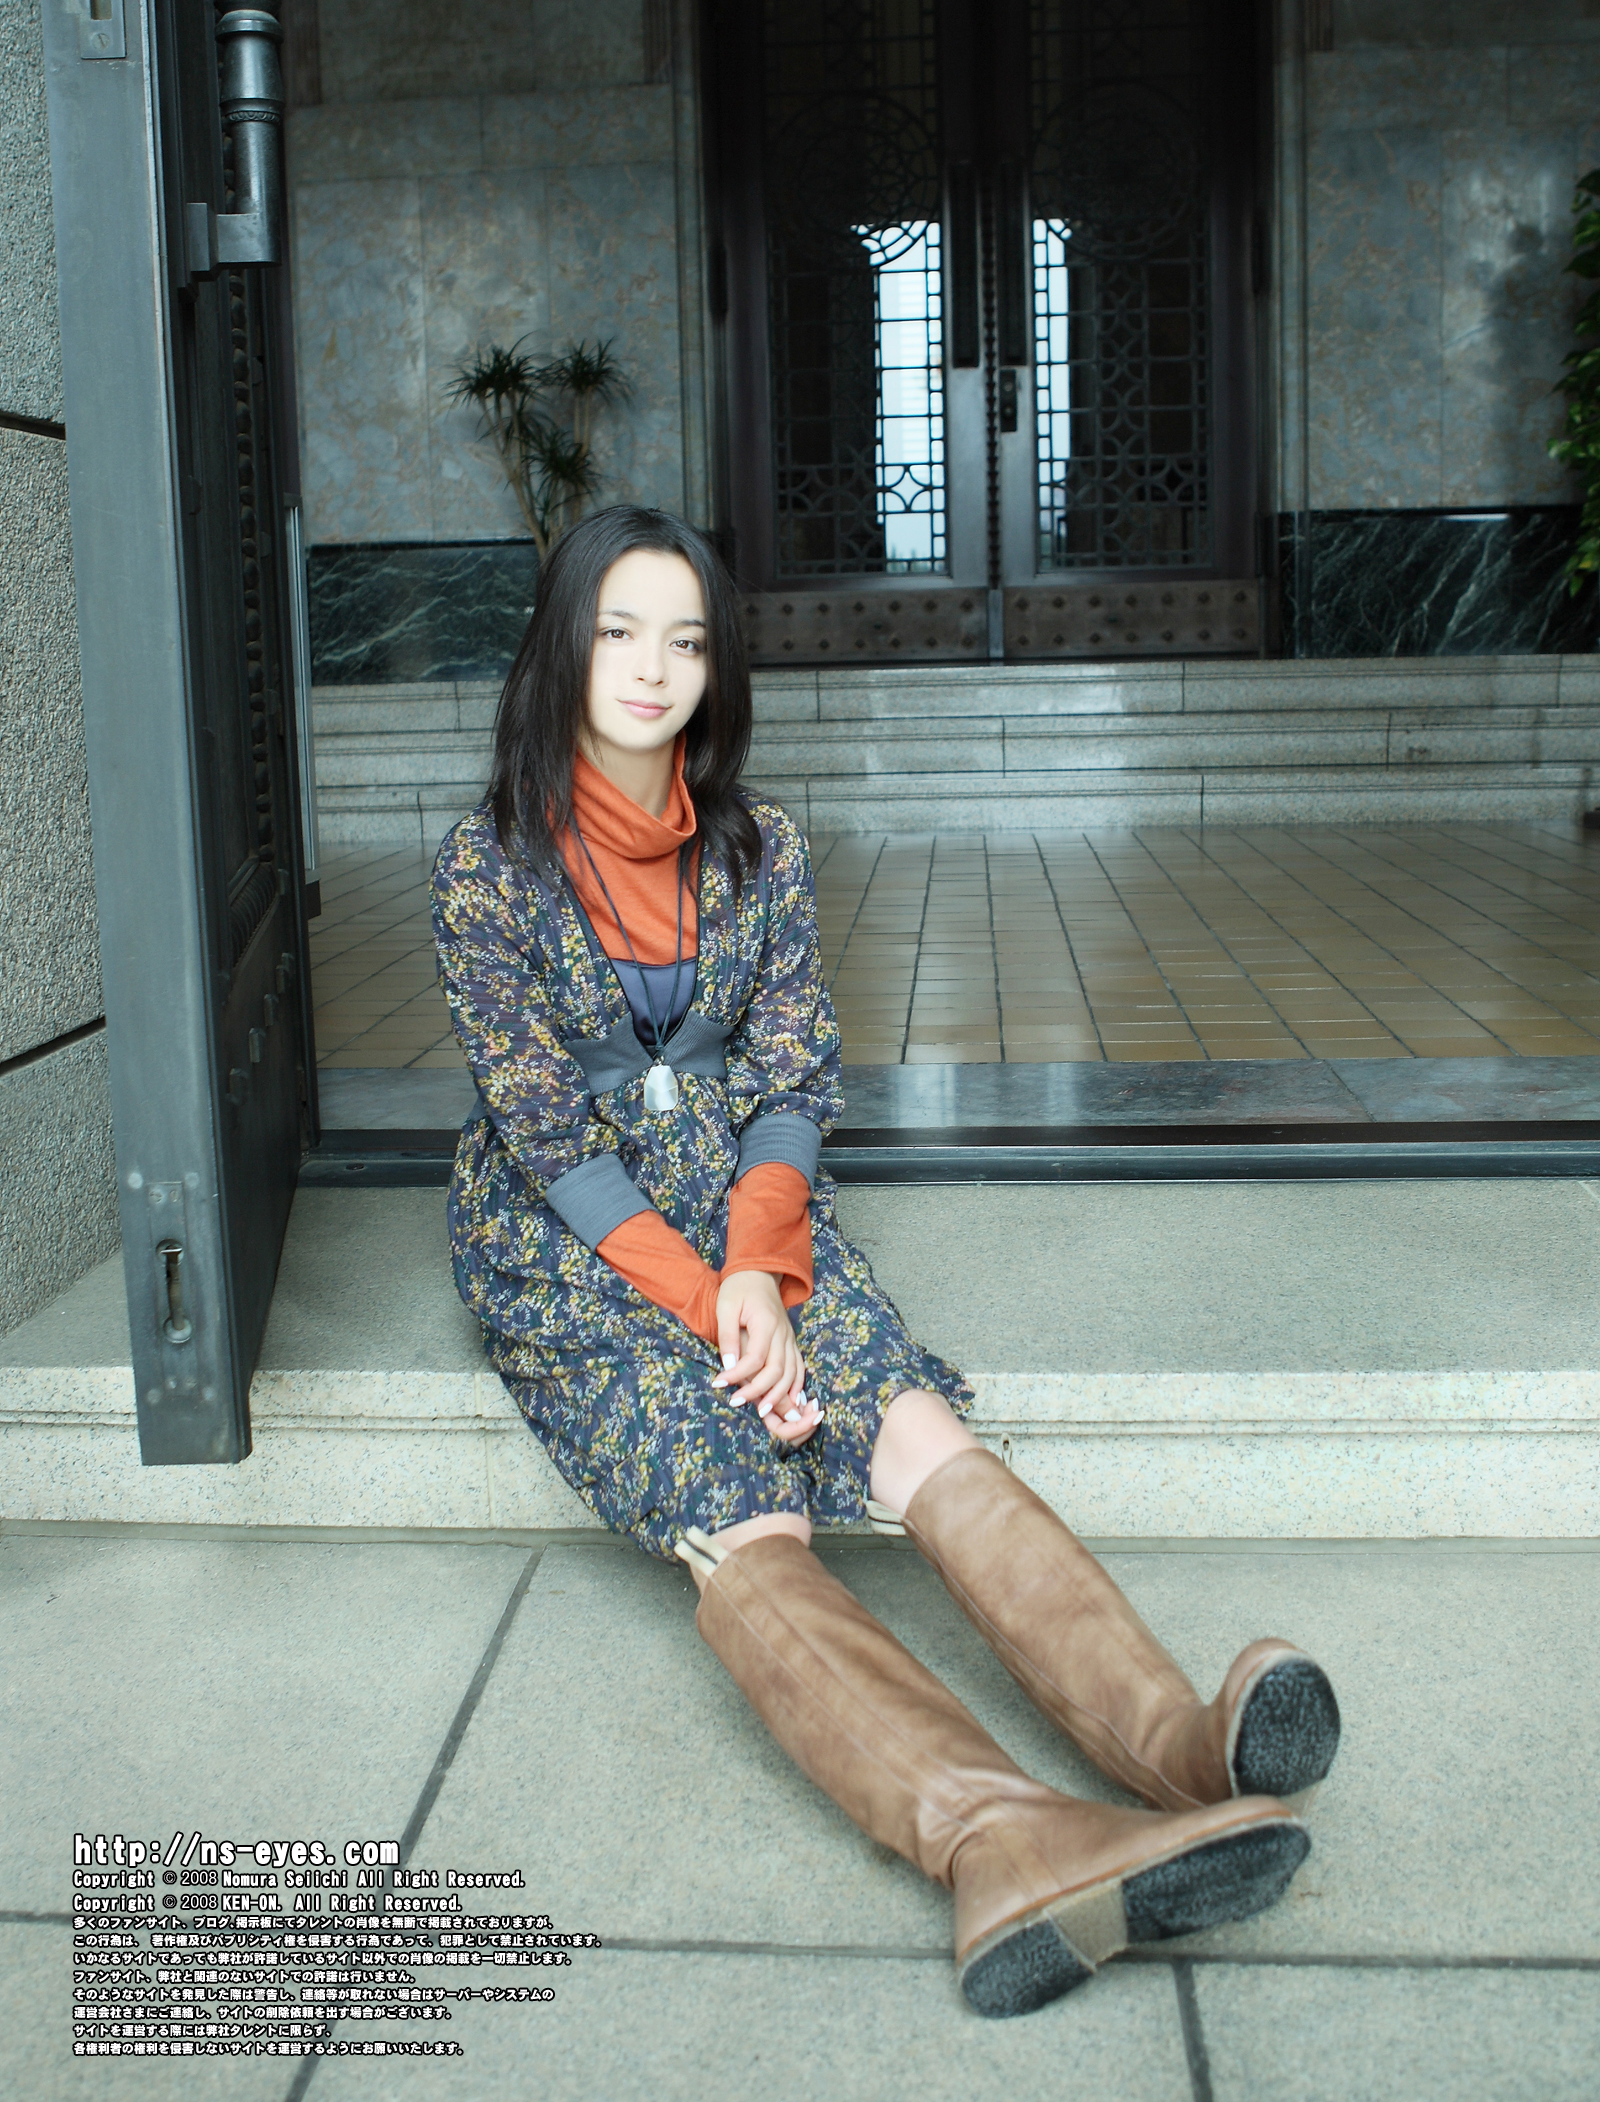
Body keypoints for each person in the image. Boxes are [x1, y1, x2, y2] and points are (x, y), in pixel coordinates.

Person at [431, 505, 1341, 2020]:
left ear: (716, 669)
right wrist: (713, 1307)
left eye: (686, 640)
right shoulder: (489, 865)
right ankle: (999, 1842)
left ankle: (1180, 1747)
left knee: (910, 1424)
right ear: (562, 649)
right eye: (618, 632)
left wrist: (760, 1266)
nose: (651, 669)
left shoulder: (760, 847)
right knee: (743, 1499)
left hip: (744, 1196)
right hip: (568, 1237)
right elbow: (547, 1135)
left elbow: (794, 1073)